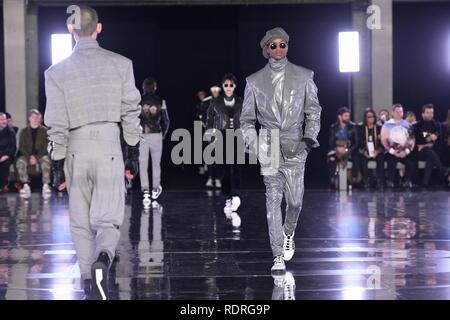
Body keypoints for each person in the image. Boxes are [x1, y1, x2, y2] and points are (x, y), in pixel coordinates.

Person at [44, 5, 141, 300]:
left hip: (75, 148)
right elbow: (130, 112)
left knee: (80, 220)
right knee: (108, 218)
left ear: (71, 30)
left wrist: (57, 164)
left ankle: (88, 280)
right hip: (110, 145)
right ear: (99, 28)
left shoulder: (55, 72)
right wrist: (132, 154)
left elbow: (57, 123)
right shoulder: (121, 64)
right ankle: (104, 258)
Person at [240, 27, 321, 273]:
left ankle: (289, 233)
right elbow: (246, 120)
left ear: (287, 46)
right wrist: (255, 145)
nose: (278, 49)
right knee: (273, 200)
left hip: (296, 144)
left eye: (282, 44)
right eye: (272, 46)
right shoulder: (253, 82)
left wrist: (308, 140)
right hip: (269, 145)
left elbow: (313, 111)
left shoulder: (305, 75)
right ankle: (277, 255)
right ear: (266, 50)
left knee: (295, 201)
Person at [206, 73, 243, 213]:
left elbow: (247, 119)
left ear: (235, 86)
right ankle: (229, 197)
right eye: (226, 85)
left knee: (236, 167)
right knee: (224, 168)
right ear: (222, 86)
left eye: (231, 85)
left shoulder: (241, 101)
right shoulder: (215, 102)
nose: (228, 87)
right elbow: (209, 120)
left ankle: (236, 195)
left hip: (237, 136)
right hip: (221, 136)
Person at [139, 77, 169, 207]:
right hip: (157, 134)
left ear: (143, 88)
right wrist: (164, 134)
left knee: (143, 165)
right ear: (155, 87)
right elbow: (166, 120)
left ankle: (145, 191)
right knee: (156, 164)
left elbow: (134, 120)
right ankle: (155, 189)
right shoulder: (161, 101)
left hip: (142, 136)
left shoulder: (138, 102)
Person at [16, 109, 52, 199]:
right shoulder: (24, 131)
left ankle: (46, 185)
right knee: (20, 161)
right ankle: (26, 185)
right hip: (27, 155)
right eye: (33, 117)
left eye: (36, 117)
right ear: (29, 119)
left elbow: (46, 147)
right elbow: (22, 146)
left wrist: (36, 157)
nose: (35, 119)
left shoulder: (44, 131)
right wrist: (29, 157)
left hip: (40, 155)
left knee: (46, 160)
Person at [413, 104, 449, 186]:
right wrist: (428, 140)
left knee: (431, 156)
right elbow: (417, 141)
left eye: (431, 113)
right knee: (427, 151)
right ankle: (442, 169)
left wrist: (426, 144)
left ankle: (424, 183)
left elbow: (440, 141)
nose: (430, 115)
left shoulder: (437, 125)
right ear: (423, 114)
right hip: (419, 152)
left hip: (433, 151)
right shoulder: (417, 126)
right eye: (428, 113)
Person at [380, 104, 415, 188]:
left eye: (401, 111)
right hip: (391, 151)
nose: (399, 113)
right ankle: (390, 181)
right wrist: (393, 152)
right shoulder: (387, 125)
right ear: (393, 113)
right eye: (397, 112)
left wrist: (406, 151)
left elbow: (412, 140)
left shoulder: (407, 125)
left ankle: (406, 181)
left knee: (411, 163)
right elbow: (384, 141)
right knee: (391, 162)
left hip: (404, 150)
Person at [327, 107, 359, 187]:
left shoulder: (353, 126)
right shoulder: (333, 127)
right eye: (345, 116)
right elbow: (331, 143)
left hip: (349, 149)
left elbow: (356, 143)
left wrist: (347, 150)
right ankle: (333, 179)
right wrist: (337, 148)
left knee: (357, 157)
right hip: (337, 148)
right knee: (332, 158)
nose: (348, 118)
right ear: (339, 117)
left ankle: (354, 178)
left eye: (348, 116)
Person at [357, 109, 384, 188]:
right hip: (365, 151)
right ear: (365, 118)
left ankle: (380, 181)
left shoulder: (380, 128)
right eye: (369, 117)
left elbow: (383, 142)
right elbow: (359, 141)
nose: (371, 118)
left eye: (372, 116)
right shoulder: (361, 128)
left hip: (377, 151)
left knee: (381, 159)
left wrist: (378, 151)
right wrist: (365, 151)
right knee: (362, 159)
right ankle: (367, 180)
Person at [0, 113, 16, 193]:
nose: (3, 121)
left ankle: (4, 185)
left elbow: (12, 148)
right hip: (0, 156)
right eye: (1, 119)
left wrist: (4, 156)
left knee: (5, 163)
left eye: (4, 119)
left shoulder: (11, 132)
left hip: (7, 156)